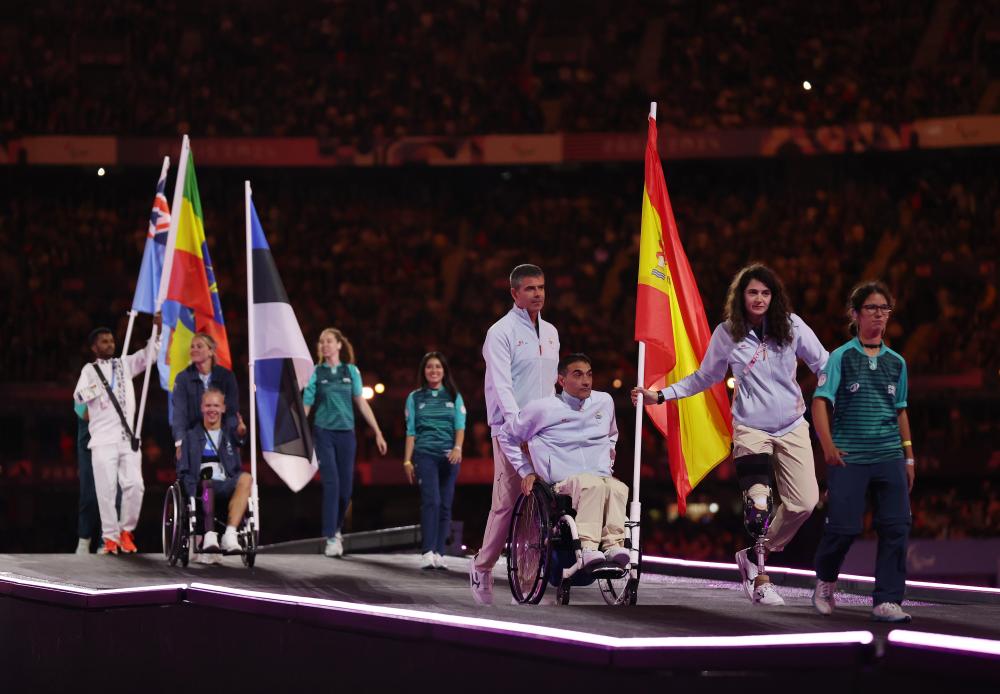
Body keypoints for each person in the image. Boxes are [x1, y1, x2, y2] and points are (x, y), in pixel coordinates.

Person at [632, 263, 827, 606]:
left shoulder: (792, 326)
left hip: (793, 426)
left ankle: (754, 554)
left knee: (805, 504)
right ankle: (762, 579)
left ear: (774, 297)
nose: (759, 298)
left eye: (766, 293)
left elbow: (824, 364)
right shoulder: (727, 333)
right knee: (758, 503)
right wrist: (660, 395)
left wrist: (830, 395)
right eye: (753, 292)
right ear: (741, 296)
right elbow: (705, 377)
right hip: (750, 428)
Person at [811, 281, 914, 623]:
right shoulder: (840, 357)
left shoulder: (897, 362)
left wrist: (908, 456)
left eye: (884, 309)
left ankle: (887, 600)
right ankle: (825, 581)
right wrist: (827, 446)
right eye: (871, 308)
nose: (879, 315)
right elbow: (821, 403)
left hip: (888, 455)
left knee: (896, 526)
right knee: (843, 527)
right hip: (849, 455)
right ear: (855, 314)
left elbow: (900, 410)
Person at [469, 264, 560, 605]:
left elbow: (552, 382)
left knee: (546, 499)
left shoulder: (551, 331)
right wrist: (515, 423)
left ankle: (532, 571)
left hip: (545, 428)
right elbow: (500, 384)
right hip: (509, 428)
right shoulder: (500, 332)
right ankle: (482, 565)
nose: (538, 293)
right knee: (507, 502)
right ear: (514, 293)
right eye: (530, 288)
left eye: (541, 287)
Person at [500, 353, 628, 567]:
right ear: (561, 381)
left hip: (600, 476)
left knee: (619, 489)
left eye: (589, 374)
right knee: (592, 486)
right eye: (577, 375)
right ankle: (587, 547)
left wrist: (609, 458)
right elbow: (506, 435)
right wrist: (526, 470)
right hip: (562, 483)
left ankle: (613, 545)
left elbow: (611, 434)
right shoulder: (542, 408)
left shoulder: (604, 401)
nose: (586, 381)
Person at [73, 322, 160, 555]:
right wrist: (97, 388)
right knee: (106, 490)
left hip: (126, 437)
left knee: (135, 485)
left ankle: (126, 531)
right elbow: (79, 398)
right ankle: (110, 538)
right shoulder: (88, 370)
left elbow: (149, 356)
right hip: (102, 440)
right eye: (104, 341)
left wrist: (158, 332)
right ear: (94, 347)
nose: (110, 344)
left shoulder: (124, 364)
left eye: (111, 340)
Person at [303, 327, 388, 558]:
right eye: (322, 342)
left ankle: (337, 529)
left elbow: (361, 402)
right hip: (324, 432)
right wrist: (300, 430)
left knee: (346, 489)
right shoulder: (317, 372)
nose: (325, 345)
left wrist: (378, 432)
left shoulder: (351, 371)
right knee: (331, 484)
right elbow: (307, 404)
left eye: (329, 341)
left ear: (339, 345)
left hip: (346, 434)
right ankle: (331, 536)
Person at [403, 352, 466, 570]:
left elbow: (460, 426)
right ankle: (427, 551)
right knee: (432, 502)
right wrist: (406, 461)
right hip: (425, 454)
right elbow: (410, 431)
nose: (434, 370)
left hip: (450, 457)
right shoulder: (415, 397)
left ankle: (439, 552)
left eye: (438, 367)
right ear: (424, 371)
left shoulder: (453, 395)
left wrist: (458, 448)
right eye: (430, 367)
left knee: (446, 504)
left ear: (444, 371)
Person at [176, 387, 251, 563]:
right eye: (208, 405)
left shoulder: (228, 435)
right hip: (202, 487)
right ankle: (209, 534)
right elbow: (183, 470)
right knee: (207, 481)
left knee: (247, 478)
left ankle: (230, 534)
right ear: (202, 408)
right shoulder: (190, 436)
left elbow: (240, 439)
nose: (212, 409)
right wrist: (189, 490)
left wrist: (242, 432)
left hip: (225, 484)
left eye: (216, 405)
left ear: (223, 408)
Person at [171, 332, 240, 460]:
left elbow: (232, 411)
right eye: (192, 347)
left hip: (222, 437)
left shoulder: (226, 377)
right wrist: (180, 443)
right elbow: (179, 413)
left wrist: (231, 440)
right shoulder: (183, 378)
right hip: (193, 439)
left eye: (199, 346)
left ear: (210, 351)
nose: (194, 349)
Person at [73, 402, 100, 554]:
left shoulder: (115, 383)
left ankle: (107, 540)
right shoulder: (84, 383)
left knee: (111, 497)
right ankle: (84, 539)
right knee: (88, 496)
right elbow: (81, 410)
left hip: (112, 444)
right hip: (87, 447)